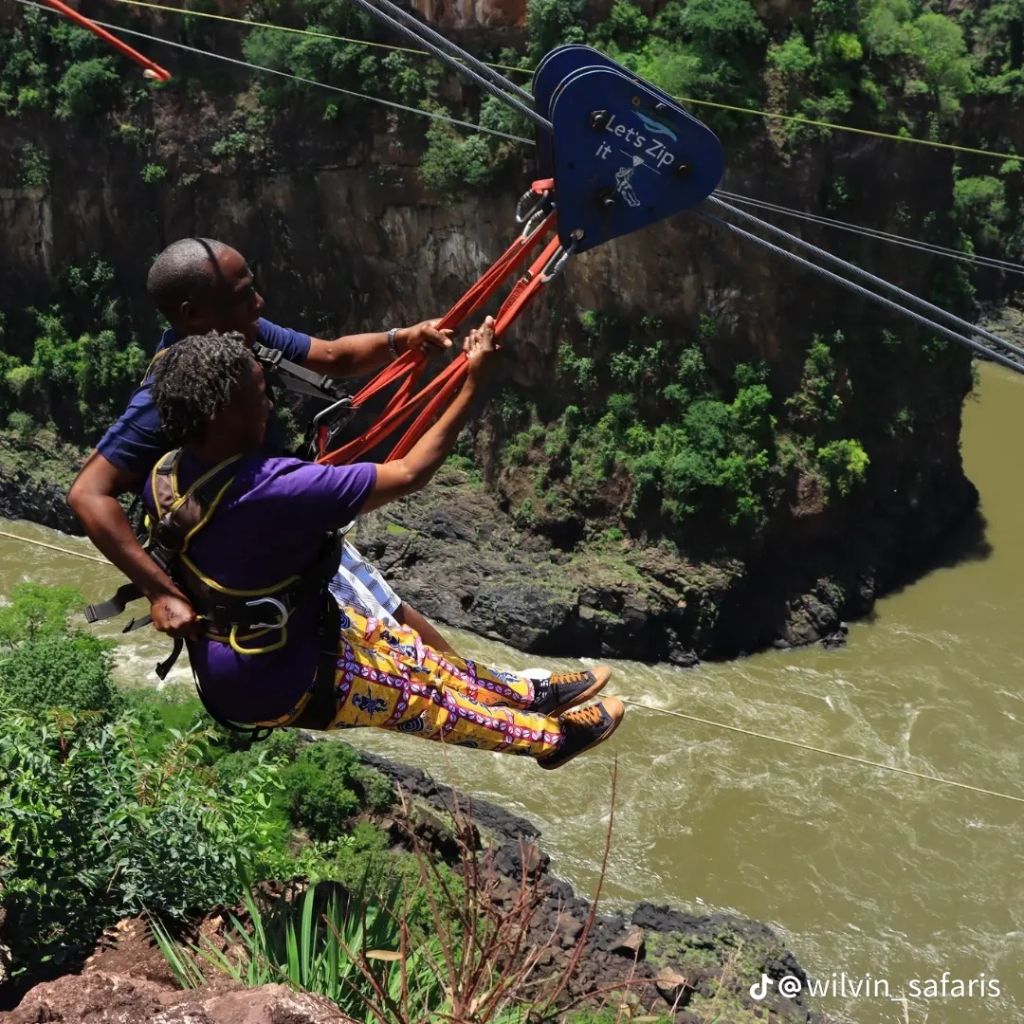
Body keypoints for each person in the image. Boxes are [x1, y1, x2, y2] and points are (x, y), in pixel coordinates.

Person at [143, 325, 625, 769]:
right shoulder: (276, 487)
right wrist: (473, 382)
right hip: (276, 680)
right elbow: (410, 471)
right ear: (220, 415)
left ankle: (525, 694)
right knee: (430, 703)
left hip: (269, 641)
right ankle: (552, 740)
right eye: (259, 396)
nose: (269, 405)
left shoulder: (166, 476)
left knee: (414, 653)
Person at [68, 237, 454, 652]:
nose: (259, 303)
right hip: (254, 565)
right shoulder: (166, 395)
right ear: (192, 314)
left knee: (420, 640)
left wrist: (402, 339)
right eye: (243, 295)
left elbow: (332, 357)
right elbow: (87, 493)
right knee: (420, 656)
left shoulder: (239, 332)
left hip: (294, 522)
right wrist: (160, 591)